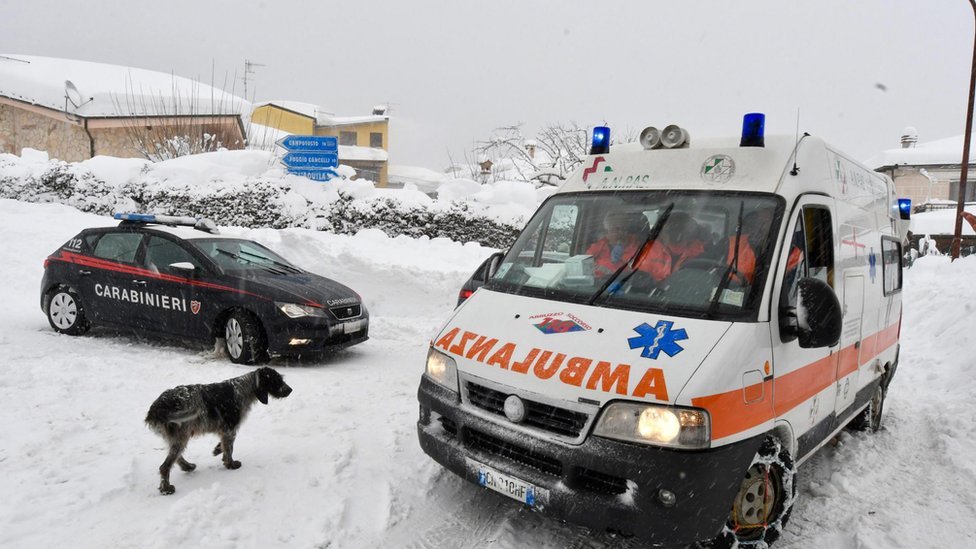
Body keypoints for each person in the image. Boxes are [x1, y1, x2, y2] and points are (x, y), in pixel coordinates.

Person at [637, 211, 705, 282]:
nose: (677, 235)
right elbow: (639, 280)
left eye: (681, 231)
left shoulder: (699, 255)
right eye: (664, 229)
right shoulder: (649, 251)